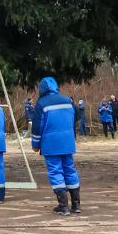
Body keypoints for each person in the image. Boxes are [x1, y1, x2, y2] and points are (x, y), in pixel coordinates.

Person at [31, 76, 80, 215]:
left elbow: (37, 127)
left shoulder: (42, 103)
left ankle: (63, 206)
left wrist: (35, 144)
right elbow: (76, 117)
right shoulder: (67, 100)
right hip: (67, 142)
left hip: (51, 144)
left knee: (55, 171)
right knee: (70, 170)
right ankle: (76, 205)